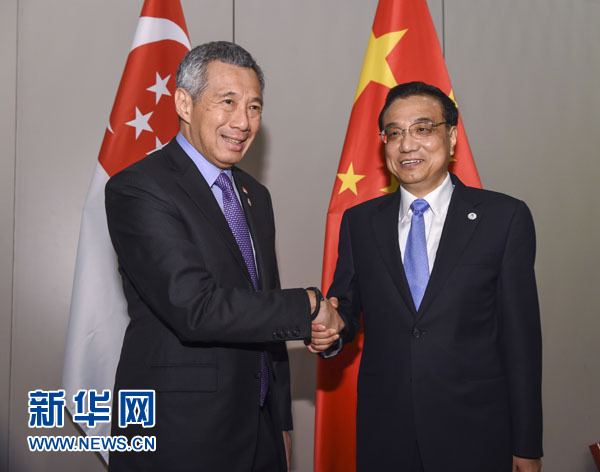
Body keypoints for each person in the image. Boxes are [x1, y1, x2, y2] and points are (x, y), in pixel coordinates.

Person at [105, 41, 343, 472]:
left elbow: (263, 309)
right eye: (227, 102)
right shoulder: (139, 188)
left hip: (259, 431)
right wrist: (308, 305)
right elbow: (194, 308)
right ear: (184, 103)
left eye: (254, 107)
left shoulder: (256, 195)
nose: (243, 122)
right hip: (179, 434)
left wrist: (280, 421)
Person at [311, 82, 542, 472]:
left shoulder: (503, 218)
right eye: (394, 133)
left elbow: (522, 341)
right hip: (386, 433)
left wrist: (527, 443)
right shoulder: (360, 222)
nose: (407, 144)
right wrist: (329, 331)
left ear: (451, 137)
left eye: (422, 128)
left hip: (476, 433)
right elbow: (344, 308)